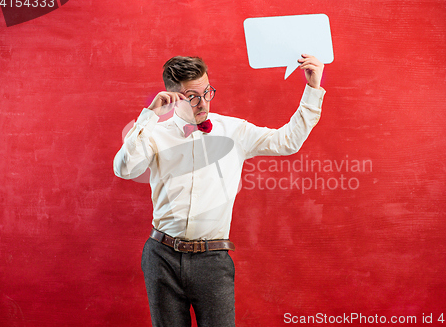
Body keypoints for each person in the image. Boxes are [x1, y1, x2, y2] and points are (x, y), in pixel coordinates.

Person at [113, 54, 325, 327]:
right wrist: (149, 116)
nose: (204, 103)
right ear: (173, 96)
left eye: (207, 92)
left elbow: (287, 142)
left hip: (212, 260)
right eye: (193, 96)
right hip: (161, 257)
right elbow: (124, 169)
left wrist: (313, 89)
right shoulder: (153, 134)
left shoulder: (234, 130)